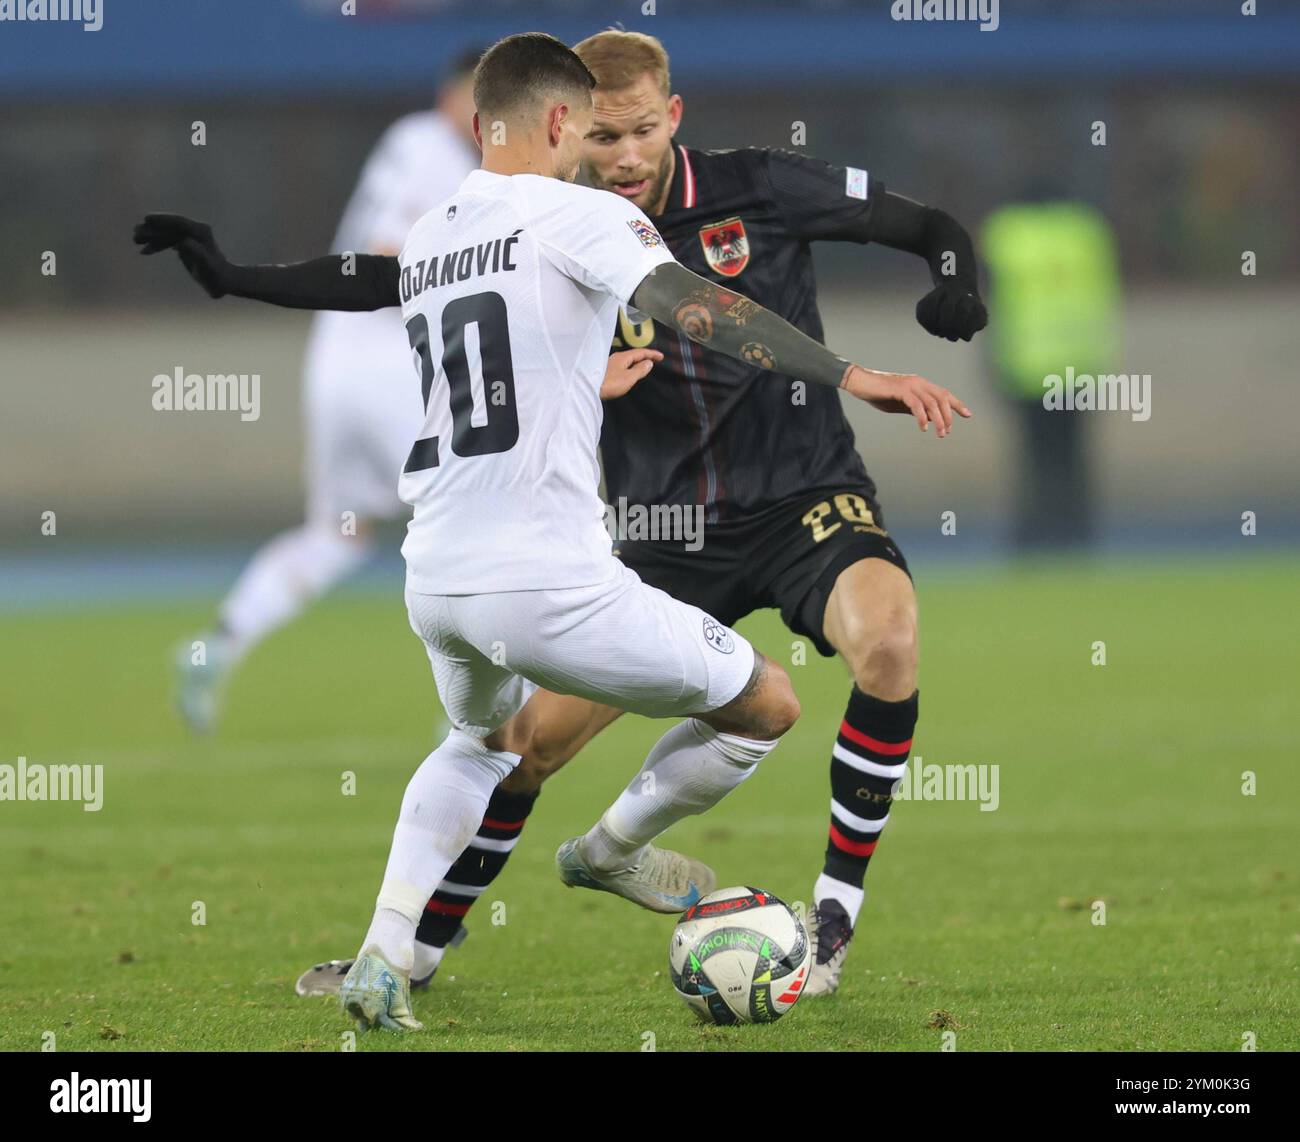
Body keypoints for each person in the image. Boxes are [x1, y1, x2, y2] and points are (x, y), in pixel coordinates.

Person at [135, 31, 969, 1032]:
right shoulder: (577, 218)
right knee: (699, 714)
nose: (620, 156)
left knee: (493, 741)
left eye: (641, 131)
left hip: (506, 557)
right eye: (600, 133)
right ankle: (584, 862)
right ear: (565, 124)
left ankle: (399, 949)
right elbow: (698, 309)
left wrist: (233, 275)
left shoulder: (460, 220)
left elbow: (371, 275)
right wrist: (853, 371)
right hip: (612, 550)